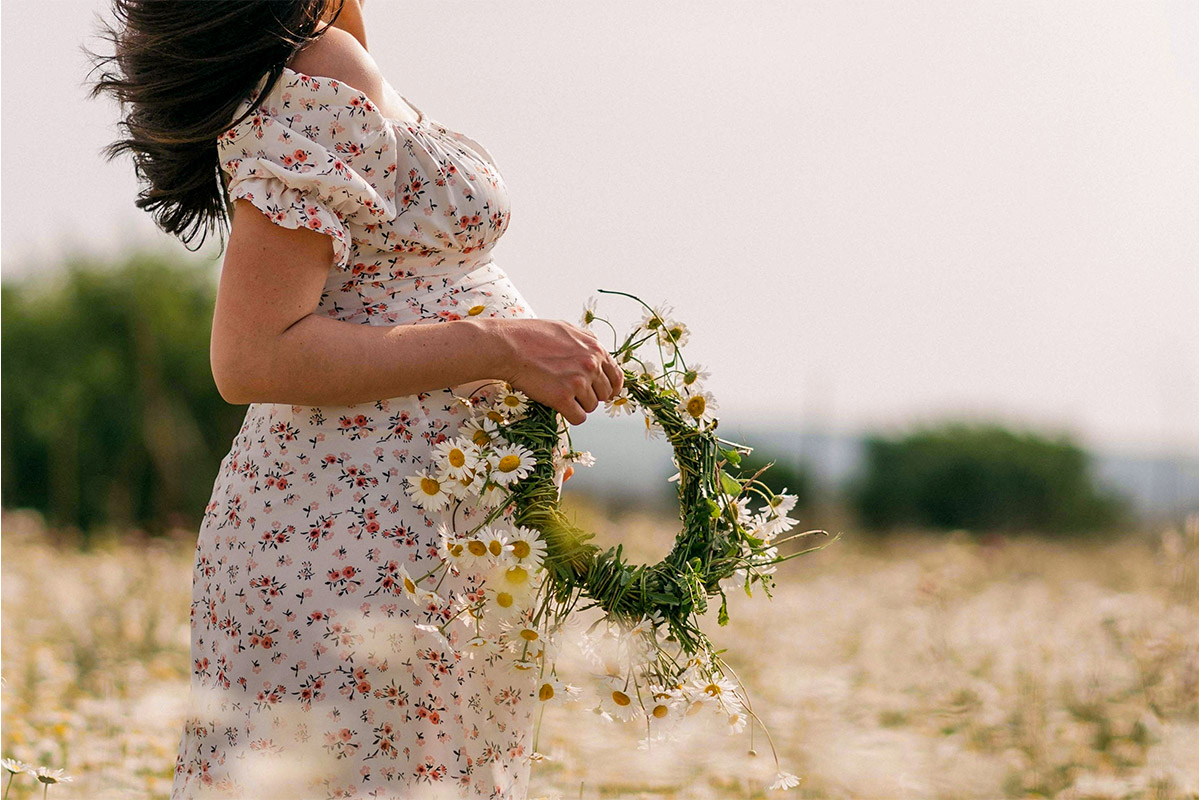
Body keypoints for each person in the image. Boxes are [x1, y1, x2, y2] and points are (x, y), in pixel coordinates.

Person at [88, 1, 623, 797]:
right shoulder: (321, 68)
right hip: (353, 545)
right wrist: (504, 347)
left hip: (413, 538)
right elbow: (251, 355)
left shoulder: (329, 53)